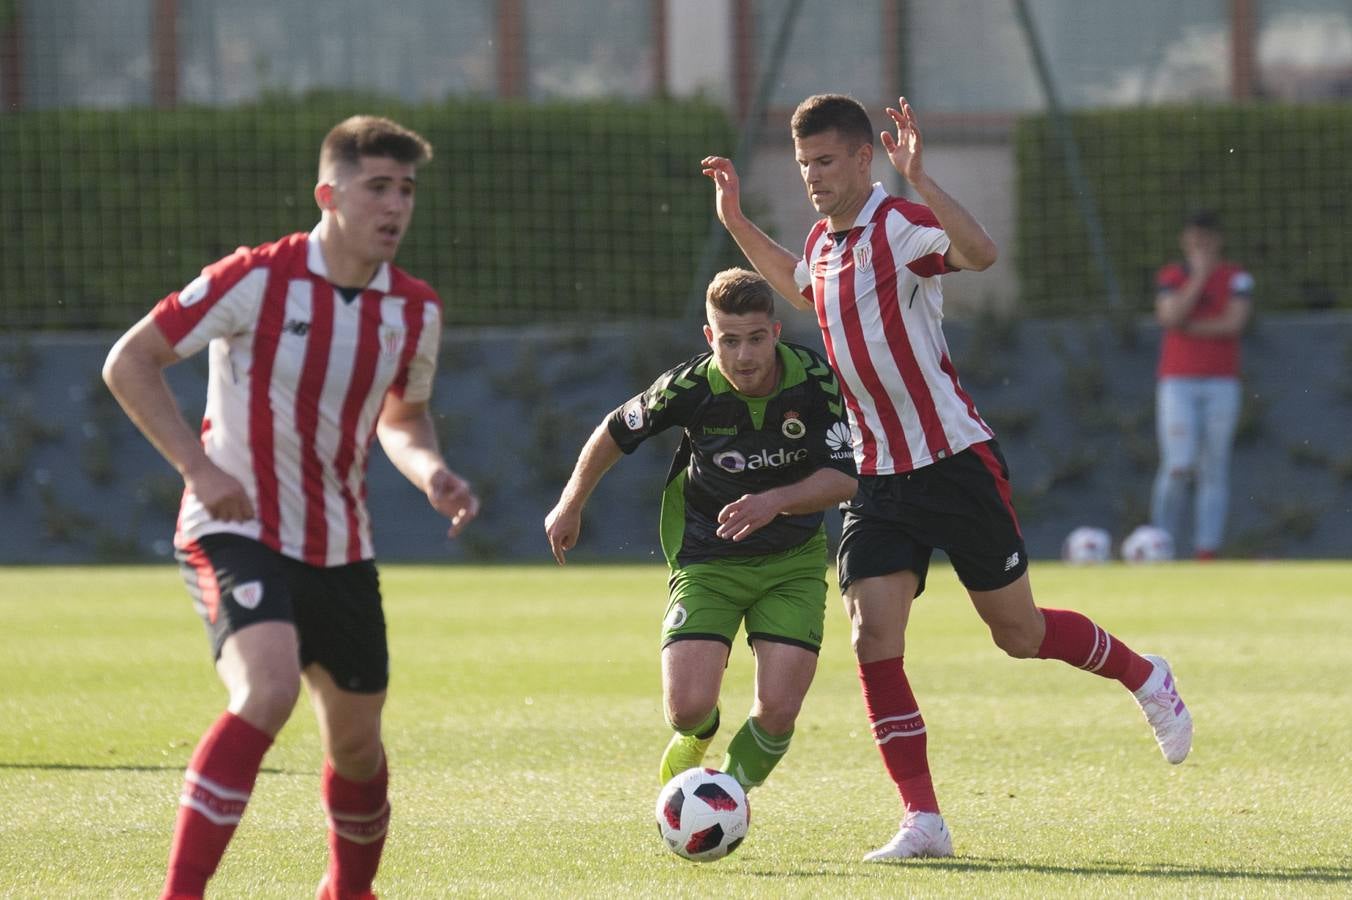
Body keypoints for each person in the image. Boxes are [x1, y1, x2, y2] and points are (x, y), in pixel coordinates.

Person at [701, 94, 1193, 860]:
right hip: (879, 478)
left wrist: (921, 178)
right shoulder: (824, 247)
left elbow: (982, 253)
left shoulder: (898, 225)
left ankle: (1146, 674)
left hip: (955, 464)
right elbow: (803, 288)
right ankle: (922, 819)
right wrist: (736, 222)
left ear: (865, 158)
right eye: (804, 165)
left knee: (1019, 634)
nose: (813, 177)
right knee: (871, 635)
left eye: (826, 161)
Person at [102, 115, 480, 900]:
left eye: (406, 190)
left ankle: (348, 892)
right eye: (378, 186)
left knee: (358, 749)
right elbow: (129, 361)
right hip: (233, 530)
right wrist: (197, 468)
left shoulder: (413, 310)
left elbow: (402, 420)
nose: (396, 205)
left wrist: (431, 470)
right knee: (266, 690)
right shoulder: (257, 278)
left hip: (341, 547)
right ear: (329, 194)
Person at [545, 267, 857, 793]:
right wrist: (570, 502)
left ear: (775, 333)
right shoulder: (689, 385)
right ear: (711, 338)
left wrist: (775, 501)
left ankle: (724, 795)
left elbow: (844, 477)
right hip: (707, 559)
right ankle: (699, 735)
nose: (745, 356)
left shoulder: (814, 380)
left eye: (756, 339)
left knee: (778, 711)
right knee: (686, 709)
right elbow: (615, 430)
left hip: (792, 563)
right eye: (730, 341)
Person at [1151, 210, 1253, 560]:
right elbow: (1169, 316)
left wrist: (1189, 327)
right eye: (1194, 240)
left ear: (1217, 240)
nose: (1200, 246)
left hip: (1221, 383)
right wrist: (1198, 278)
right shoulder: (1173, 275)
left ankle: (1206, 550)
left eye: (1206, 240)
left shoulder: (1237, 278)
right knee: (1178, 463)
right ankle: (1159, 544)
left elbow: (1233, 323)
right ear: (1185, 241)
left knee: (1214, 466)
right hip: (1177, 382)